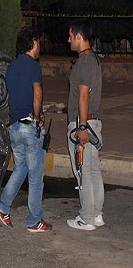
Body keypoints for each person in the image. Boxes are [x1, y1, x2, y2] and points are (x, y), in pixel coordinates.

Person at [0, 28, 52, 233]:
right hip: (28, 125)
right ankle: (34, 220)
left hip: (14, 126)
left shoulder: (12, 67)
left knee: (20, 169)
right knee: (36, 176)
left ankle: (2, 209)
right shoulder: (33, 66)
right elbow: (37, 92)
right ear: (33, 43)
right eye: (39, 42)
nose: (40, 46)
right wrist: (38, 117)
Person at [66, 19, 104, 231]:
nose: (68, 40)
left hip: (84, 122)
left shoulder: (84, 62)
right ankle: (96, 213)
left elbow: (83, 96)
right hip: (93, 121)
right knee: (93, 170)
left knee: (83, 171)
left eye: (70, 36)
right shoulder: (93, 60)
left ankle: (87, 218)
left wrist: (81, 127)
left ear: (79, 37)